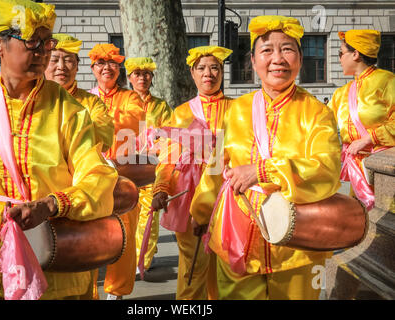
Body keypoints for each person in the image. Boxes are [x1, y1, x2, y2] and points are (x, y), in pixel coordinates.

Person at [0, 0, 117, 300]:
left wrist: (51, 204)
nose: (42, 52)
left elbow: (98, 177)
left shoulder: (68, 110)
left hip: (51, 260)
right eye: (32, 42)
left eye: (46, 42)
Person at [190, 16, 342, 300]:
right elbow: (217, 165)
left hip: (297, 242)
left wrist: (262, 171)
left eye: (287, 49)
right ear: (253, 59)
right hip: (237, 235)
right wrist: (201, 211)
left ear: (299, 57)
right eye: (267, 50)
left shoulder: (317, 112)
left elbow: (327, 170)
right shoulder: (237, 110)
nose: (278, 59)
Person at [151, 46, 234, 300]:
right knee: (193, 262)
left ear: (221, 72)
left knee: (226, 262)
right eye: (201, 68)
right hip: (189, 194)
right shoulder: (182, 112)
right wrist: (161, 188)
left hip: (228, 193)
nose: (208, 73)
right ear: (192, 73)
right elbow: (168, 158)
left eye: (214, 67)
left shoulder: (238, 108)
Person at [88, 43, 145, 300]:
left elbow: (134, 122)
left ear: (119, 69)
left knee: (123, 235)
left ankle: (117, 292)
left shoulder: (130, 97)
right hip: (88, 178)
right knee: (86, 238)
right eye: (100, 63)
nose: (106, 68)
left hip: (121, 178)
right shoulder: (85, 97)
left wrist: (98, 120)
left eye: (112, 63)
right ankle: (87, 292)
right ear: (93, 69)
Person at [328, 29, 394, 210]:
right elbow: (321, 124)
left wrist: (368, 139)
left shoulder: (387, 81)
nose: (339, 58)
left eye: (341, 53)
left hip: (384, 171)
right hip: (356, 171)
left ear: (355, 54)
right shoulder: (341, 93)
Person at [123, 57, 173, 275]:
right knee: (127, 215)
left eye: (146, 74)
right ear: (129, 77)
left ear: (152, 77)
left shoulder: (160, 106)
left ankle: (143, 258)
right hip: (125, 169)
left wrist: (156, 147)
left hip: (152, 169)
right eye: (137, 73)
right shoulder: (123, 101)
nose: (142, 78)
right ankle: (126, 256)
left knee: (149, 216)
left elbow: (170, 135)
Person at [44, 33, 114, 153]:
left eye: (68, 60)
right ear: (43, 65)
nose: (61, 66)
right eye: (54, 60)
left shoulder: (92, 102)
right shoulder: (32, 99)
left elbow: (103, 137)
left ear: (77, 66)